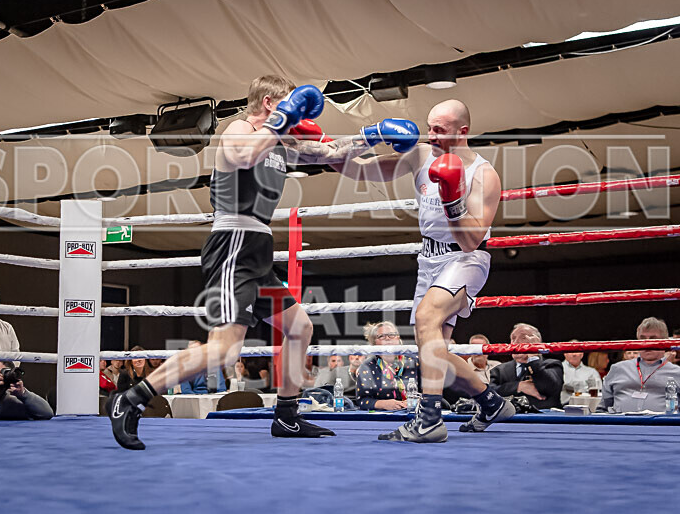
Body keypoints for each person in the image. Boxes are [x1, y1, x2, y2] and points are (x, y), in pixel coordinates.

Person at [109, 75, 395, 448]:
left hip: (257, 250)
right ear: (271, 105)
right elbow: (244, 156)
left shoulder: (279, 142)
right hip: (233, 245)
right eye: (289, 106)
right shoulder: (237, 131)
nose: (297, 115)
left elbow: (330, 154)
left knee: (300, 328)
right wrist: (281, 122)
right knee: (223, 349)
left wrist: (372, 135)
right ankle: (131, 399)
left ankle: (287, 417)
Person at [340, 99, 514, 441]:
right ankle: (490, 401)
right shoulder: (420, 155)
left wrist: (452, 199)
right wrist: (368, 136)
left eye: (440, 130)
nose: (431, 135)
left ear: (462, 132)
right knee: (435, 353)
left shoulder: (483, 175)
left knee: (426, 318)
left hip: (466, 259)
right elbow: (360, 170)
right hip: (429, 260)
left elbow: (470, 240)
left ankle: (429, 419)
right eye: (429, 127)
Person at [601, 319, 680, 413]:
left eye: (653, 339)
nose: (647, 343)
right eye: (642, 338)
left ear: (665, 342)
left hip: (664, 430)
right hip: (619, 429)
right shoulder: (618, 369)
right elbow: (602, 409)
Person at [489, 324, 564, 409]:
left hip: (544, 419)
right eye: (513, 338)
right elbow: (488, 393)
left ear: (537, 342)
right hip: (510, 419)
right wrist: (518, 386)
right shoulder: (500, 370)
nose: (516, 342)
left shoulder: (552, 364)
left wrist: (533, 357)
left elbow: (550, 388)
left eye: (523, 338)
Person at [356, 322, 419, 411]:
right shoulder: (367, 366)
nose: (387, 339)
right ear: (374, 342)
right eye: (382, 336)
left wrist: (414, 402)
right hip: (383, 419)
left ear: (398, 338)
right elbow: (362, 401)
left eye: (391, 335)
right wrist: (384, 404)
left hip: (416, 414)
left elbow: (430, 393)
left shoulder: (415, 361)